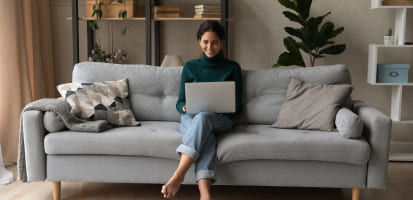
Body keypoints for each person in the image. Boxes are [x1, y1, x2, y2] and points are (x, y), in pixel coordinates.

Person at [161, 20, 243, 200]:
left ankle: (179, 175)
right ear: (199, 41)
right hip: (191, 118)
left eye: (214, 42)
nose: (210, 47)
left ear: (222, 42)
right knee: (205, 132)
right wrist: (184, 106)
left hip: (221, 119)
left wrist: (224, 104)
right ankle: (205, 195)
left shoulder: (232, 67)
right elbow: (180, 102)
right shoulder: (190, 67)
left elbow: (237, 105)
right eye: (205, 42)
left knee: (204, 117)